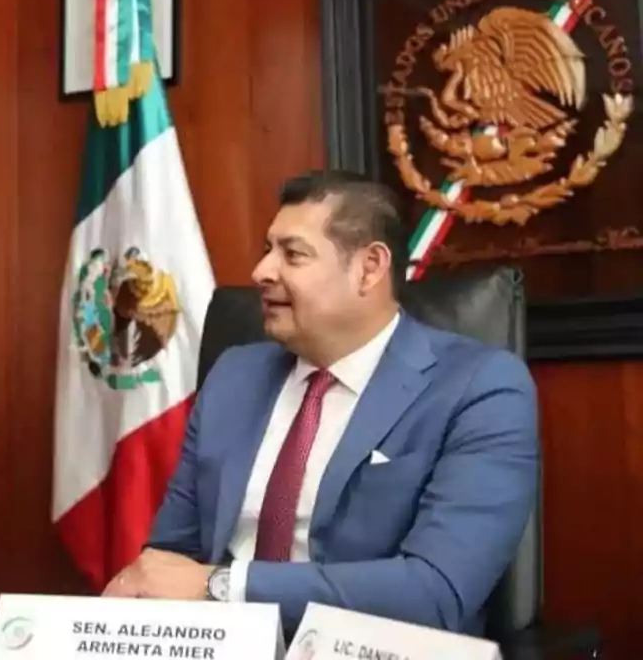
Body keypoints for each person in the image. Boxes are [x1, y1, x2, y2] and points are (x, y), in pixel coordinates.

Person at [105, 170, 538, 637]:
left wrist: (224, 586)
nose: (261, 272)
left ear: (369, 268)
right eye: (267, 250)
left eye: (292, 254)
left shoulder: (480, 387)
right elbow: (172, 557)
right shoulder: (236, 375)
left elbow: (435, 591)